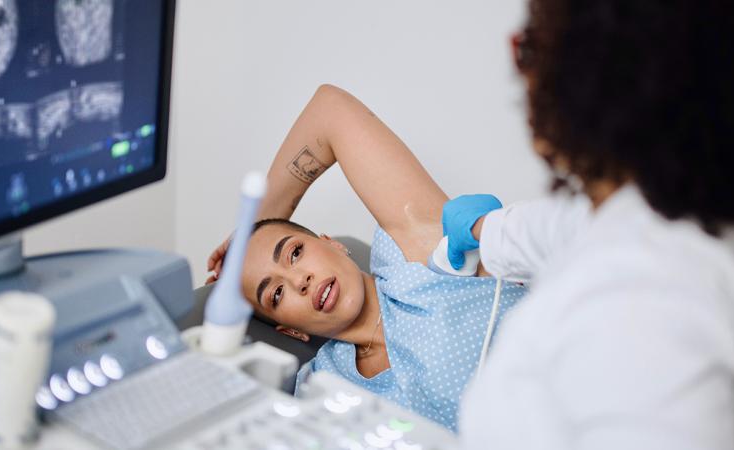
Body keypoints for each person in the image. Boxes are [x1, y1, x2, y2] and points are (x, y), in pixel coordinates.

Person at [442, 1, 734, 448]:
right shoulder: (692, 207)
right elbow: (566, 228)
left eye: (528, 50)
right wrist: (484, 230)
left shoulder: (633, 301)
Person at [205, 84, 528, 431]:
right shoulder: (323, 388)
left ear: (333, 244)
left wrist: (253, 224)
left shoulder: (414, 257)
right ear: (291, 331)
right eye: (276, 294)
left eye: (295, 252)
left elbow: (329, 110)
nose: (299, 281)